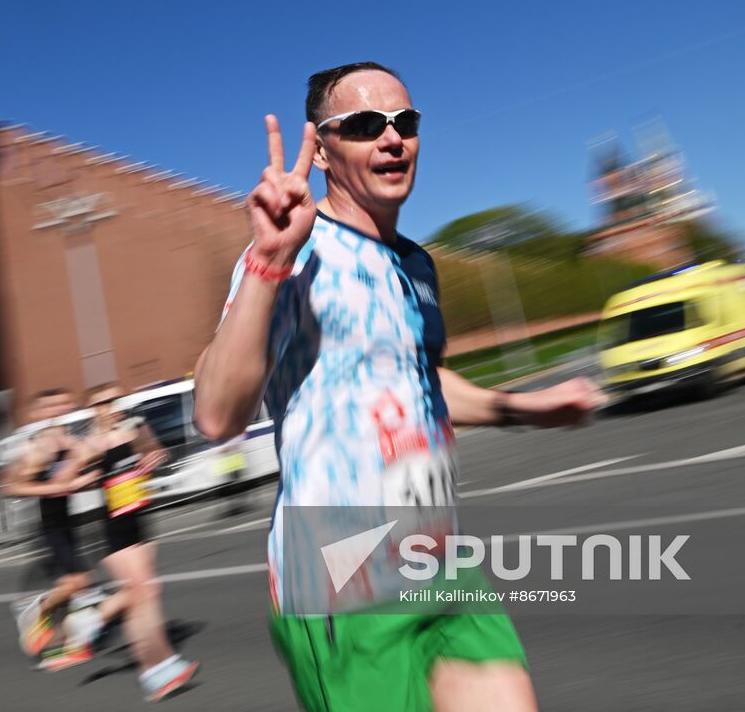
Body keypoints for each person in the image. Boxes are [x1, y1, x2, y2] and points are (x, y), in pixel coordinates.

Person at [193, 63, 604, 712]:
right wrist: (267, 259)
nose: (392, 138)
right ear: (323, 150)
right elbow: (217, 413)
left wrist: (522, 406)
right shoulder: (295, 249)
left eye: (404, 122)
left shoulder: (417, 264)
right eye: (363, 125)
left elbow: (417, 379)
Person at [78, 384, 197, 701]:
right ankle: (155, 669)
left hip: (140, 519)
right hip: (115, 528)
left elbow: (154, 451)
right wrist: (84, 477)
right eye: (102, 402)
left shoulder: (134, 428)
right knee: (141, 595)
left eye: (114, 399)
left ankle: (157, 660)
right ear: (94, 409)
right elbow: (66, 478)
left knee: (146, 593)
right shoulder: (90, 443)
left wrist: (151, 459)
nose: (110, 406)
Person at [4, 389, 115, 668]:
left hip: (68, 524)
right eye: (50, 406)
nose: (58, 409)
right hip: (49, 527)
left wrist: (88, 478)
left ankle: (58, 647)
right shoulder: (36, 448)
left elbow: (83, 471)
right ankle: (36, 609)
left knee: (77, 591)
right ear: (36, 414)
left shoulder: (69, 442)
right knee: (80, 584)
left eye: (64, 403)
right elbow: (11, 486)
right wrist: (61, 487)